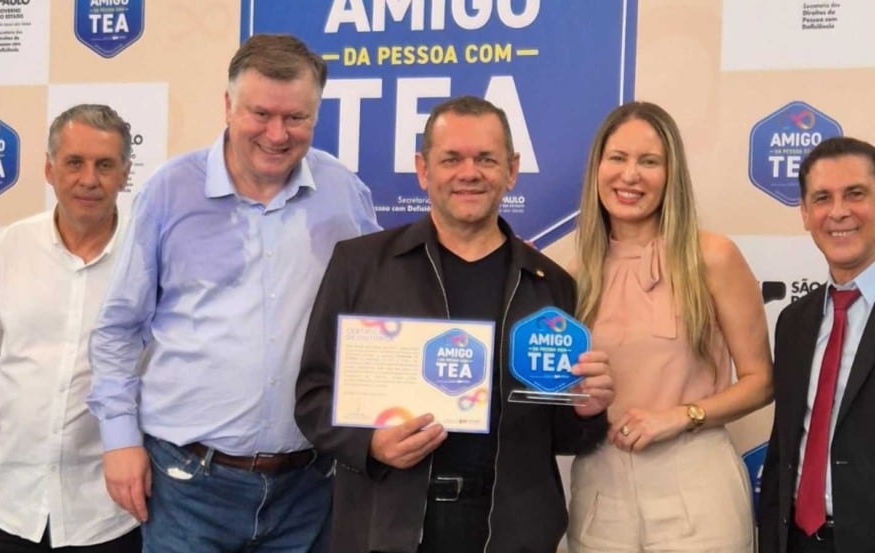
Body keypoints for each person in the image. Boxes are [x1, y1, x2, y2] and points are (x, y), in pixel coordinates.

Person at [87, 34, 379, 552]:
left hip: (309, 490)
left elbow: (375, 322)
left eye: (296, 118)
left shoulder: (344, 194)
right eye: (260, 113)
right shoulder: (170, 191)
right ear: (228, 106)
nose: (277, 133)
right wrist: (119, 440)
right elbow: (119, 330)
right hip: (187, 487)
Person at [294, 95, 615, 553]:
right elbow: (312, 397)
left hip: (511, 532)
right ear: (424, 170)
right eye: (452, 159)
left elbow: (565, 436)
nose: (469, 173)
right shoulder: (360, 265)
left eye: (486, 159)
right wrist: (369, 443)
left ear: (512, 170)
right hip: (387, 527)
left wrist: (587, 410)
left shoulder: (552, 286)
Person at [566, 101, 773, 552]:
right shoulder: (575, 272)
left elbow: (761, 382)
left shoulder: (713, 256)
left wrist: (681, 416)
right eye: (617, 158)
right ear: (597, 168)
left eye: (649, 161)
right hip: (600, 493)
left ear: (671, 172)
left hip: (696, 487)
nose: (630, 175)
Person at [0, 104, 141, 553]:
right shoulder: (11, 247)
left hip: (111, 514)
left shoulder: (145, 257)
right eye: (74, 163)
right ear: (49, 169)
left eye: (105, 165)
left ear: (125, 174)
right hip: (13, 507)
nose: (89, 179)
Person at [759, 136, 875, 553]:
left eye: (856, 194)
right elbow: (784, 448)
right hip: (799, 541)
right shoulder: (794, 322)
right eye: (823, 198)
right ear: (806, 214)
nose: (839, 211)